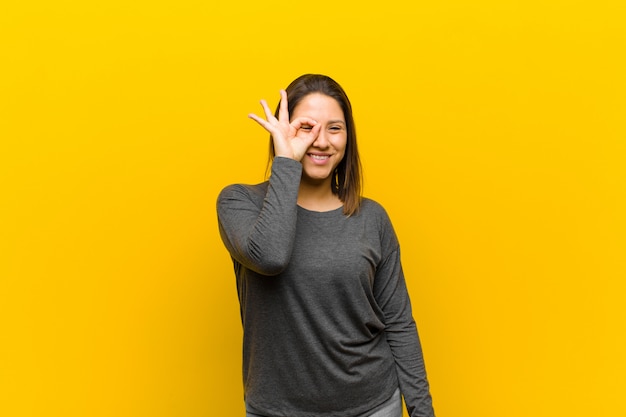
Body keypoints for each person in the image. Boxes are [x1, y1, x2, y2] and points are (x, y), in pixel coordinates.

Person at [217, 74, 435, 417]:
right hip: (277, 410)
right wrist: (286, 161)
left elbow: (398, 322)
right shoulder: (239, 203)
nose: (321, 141)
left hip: (372, 406)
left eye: (335, 128)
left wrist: (423, 412)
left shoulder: (372, 218)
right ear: (282, 130)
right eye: (306, 127)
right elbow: (271, 256)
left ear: (348, 139)